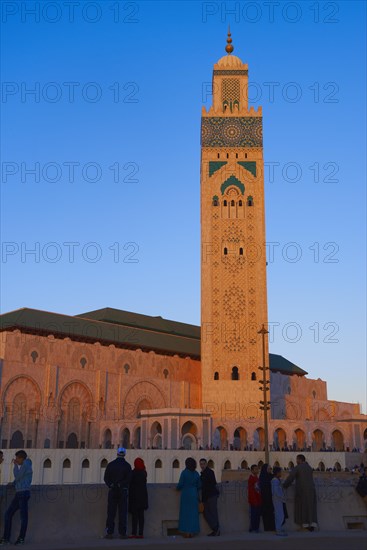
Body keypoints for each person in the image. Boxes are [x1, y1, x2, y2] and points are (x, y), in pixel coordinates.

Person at [0, 450, 33, 546]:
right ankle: (5, 538)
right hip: (19, 494)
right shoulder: (24, 466)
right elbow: (19, 479)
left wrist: (15, 466)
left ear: (21, 458)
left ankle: (21, 538)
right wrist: (13, 483)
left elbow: (17, 476)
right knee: (8, 515)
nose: (16, 460)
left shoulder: (26, 465)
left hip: (23, 494)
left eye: (17, 458)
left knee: (23, 518)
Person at [283, 454, 318, 531]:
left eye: (297, 460)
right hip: (311, 490)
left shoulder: (298, 467)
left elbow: (290, 478)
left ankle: (305, 526)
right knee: (311, 507)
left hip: (302, 490)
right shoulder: (309, 468)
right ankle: (312, 525)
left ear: (300, 460)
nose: (296, 461)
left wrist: (284, 485)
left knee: (303, 507)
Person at [103, 447, 132, 540]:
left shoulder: (111, 465)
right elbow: (129, 479)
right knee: (122, 512)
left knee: (111, 512)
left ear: (117, 454)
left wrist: (111, 485)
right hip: (122, 491)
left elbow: (106, 478)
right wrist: (121, 485)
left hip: (112, 491)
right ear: (124, 454)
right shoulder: (127, 466)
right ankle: (122, 533)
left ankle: (109, 532)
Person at [176, 457, 201, 538]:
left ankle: (186, 532)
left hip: (186, 494)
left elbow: (180, 484)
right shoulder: (196, 473)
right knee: (193, 514)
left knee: (185, 513)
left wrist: (177, 488)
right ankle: (192, 532)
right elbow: (199, 485)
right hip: (194, 494)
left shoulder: (184, 473)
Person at [199, 458, 220, 536]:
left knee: (211, 513)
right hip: (208, 496)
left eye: (203, 464)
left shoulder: (209, 472)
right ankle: (216, 529)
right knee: (208, 513)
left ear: (206, 464)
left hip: (211, 496)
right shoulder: (203, 473)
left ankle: (216, 529)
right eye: (201, 464)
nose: (202, 465)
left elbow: (211, 484)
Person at [128, 458, 148, 539]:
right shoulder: (144, 473)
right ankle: (141, 533)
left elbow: (129, 483)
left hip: (134, 497)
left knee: (134, 516)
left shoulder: (133, 473)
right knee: (141, 516)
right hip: (142, 497)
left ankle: (134, 533)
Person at [271, 467, 288, 537]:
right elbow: (276, 491)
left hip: (278, 500)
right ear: (277, 473)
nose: (281, 473)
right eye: (280, 472)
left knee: (280, 514)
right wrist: (281, 496)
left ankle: (279, 528)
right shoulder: (275, 480)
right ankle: (278, 530)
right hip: (277, 500)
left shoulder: (277, 480)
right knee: (279, 515)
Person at [259, 463, 275, 532]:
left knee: (271, 513)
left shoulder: (271, 476)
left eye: (270, 469)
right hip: (264, 498)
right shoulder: (262, 476)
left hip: (271, 498)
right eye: (269, 468)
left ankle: (272, 527)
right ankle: (267, 527)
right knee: (265, 513)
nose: (270, 470)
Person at [248, 464, 262, 533]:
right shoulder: (251, 479)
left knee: (257, 515)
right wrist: (254, 500)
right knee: (254, 515)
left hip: (258, 500)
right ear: (252, 470)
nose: (257, 470)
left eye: (257, 469)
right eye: (255, 469)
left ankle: (256, 528)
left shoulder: (256, 478)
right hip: (254, 501)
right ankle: (253, 528)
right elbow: (251, 491)